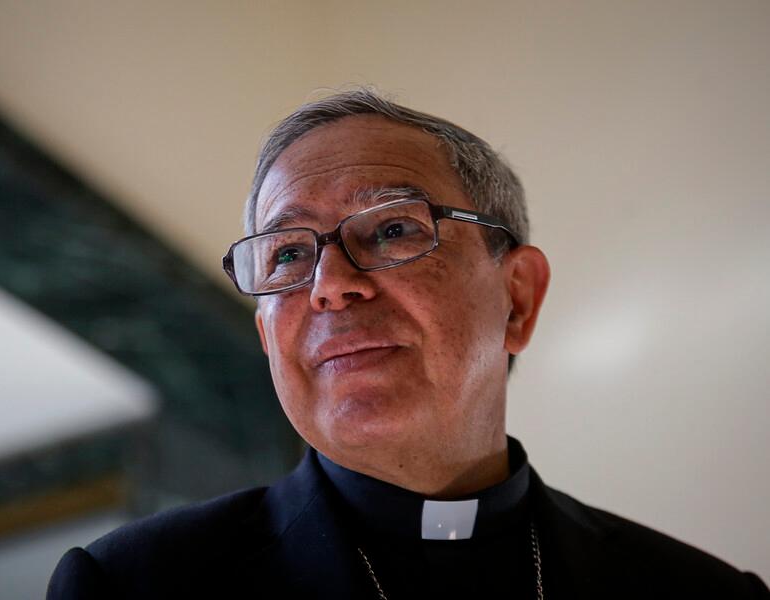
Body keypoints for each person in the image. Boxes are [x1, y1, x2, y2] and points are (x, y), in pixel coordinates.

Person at [47, 89, 768, 599]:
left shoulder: (701, 596)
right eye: (289, 254)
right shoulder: (135, 585)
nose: (330, 286)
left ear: (517, 297)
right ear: (267, 336)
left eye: (392, 229)